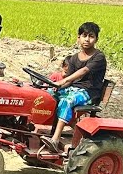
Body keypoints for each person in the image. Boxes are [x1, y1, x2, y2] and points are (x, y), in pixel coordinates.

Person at [45, 22, 108, 152]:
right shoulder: (74, 58)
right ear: (78, 38)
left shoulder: (99, 57)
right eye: (84, 35)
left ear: (96, 39)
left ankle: (55, 140)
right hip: (73, 89)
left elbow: (84, 71)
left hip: (89, 93)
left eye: (91, 36)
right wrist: (57, 87)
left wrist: (63, 81)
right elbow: (69, 82)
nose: (87, 39)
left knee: (67, 101)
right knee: (48, 94)